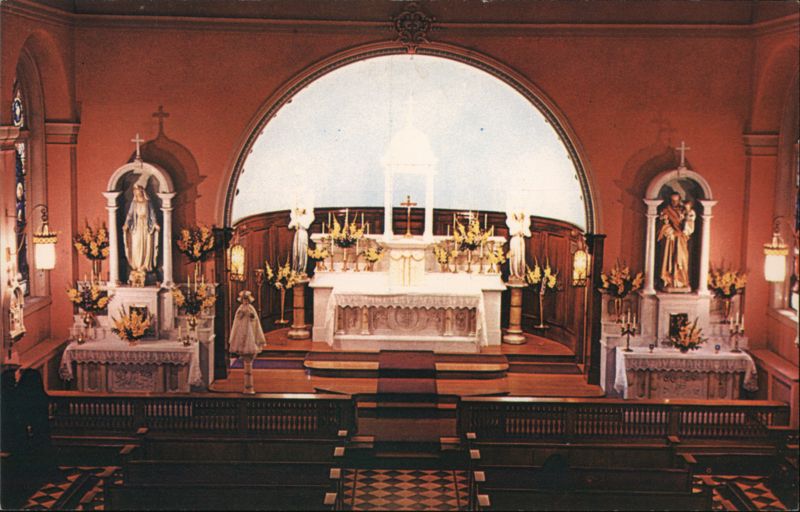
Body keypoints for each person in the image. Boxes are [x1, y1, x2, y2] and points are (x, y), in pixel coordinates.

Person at [123, 182, 160, 285]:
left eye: (139, 191)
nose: (137, 193)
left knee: (147, 246)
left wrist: (155, 224)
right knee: (136, 246)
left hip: (146, 227)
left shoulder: (148, 203)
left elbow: (152, 215)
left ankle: (145, 265)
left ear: (142, 191)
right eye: (135, 192)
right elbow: (130, 215)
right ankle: (137, 265)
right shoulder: (134, 203)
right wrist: (126, 224)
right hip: (136, 227)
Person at [229, 291, 265, 394]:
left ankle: (249, 387)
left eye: (246, 300)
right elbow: (237, 319)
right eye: (244, 300)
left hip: (250, 329)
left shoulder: (251, 308)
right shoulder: (240, 308)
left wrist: (251, 315)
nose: (245, 302)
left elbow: (255, 318)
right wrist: (241, 314)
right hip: (242, 330)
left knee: (250, 343)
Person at [658, 192, 693, 290]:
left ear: (680, 200)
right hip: (671, 240)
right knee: (669, 259)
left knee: (682, 259)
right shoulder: (666, 211)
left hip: (681, 239)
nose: (674, 203)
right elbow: (663, 226)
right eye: (673, 201)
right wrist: (672, 232)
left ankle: (681, 281)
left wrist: (687, 214)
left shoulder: (684, 211)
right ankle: (669, 281)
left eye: (676, 200)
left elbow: (689, 226)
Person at [506, 210, 531, 282]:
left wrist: (522, 227)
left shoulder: (523, 223)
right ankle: (514, 273)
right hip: (515, 240)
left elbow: (528, 234)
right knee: (514, 257)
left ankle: (520, 274)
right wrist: (518, 231)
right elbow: (512, 232)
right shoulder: (512, 222)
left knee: (521, 257)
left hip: (521, 240)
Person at [289, 206, 315, 276]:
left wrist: (299, 219)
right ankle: (296, 269)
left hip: (303, 234)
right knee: (296, 251)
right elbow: (290, 226)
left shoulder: (306, 218)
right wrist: (295, 218)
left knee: (302, 251)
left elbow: (306, 226)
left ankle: (302, 269)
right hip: (297, 234)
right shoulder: (296, 217)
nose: (299, 210)